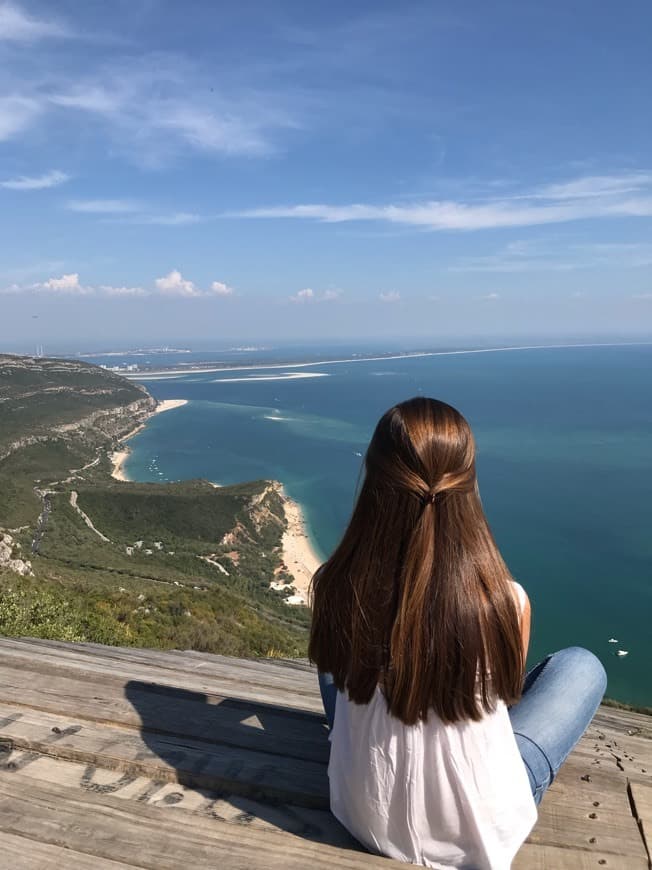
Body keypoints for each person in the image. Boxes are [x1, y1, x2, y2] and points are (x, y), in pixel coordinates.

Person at [308, 397, 607, 870]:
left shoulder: (335, 587)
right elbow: (501, 701)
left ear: (374, 477)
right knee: (581, 667)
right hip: (477, 831)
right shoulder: (506, 601)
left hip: (363, 814)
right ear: (467, 484)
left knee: (337, 668)